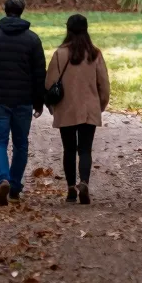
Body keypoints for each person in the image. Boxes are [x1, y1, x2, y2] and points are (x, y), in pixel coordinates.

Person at [0, 0, 46, 206]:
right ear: (22, 11)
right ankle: (14, 187)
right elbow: (39, 73)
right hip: (23, 100)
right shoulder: (32, 39)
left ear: (5, 10)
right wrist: (38, 101)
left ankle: (2, 178)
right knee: (21, 144)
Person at [44, 14, 110, 204]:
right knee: (85, 150)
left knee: (69, 149)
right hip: (89, 107)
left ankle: (71, 187)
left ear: (68, 29)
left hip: (66, 107)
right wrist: (101, 105)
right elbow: (103, 84)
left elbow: (50, 83)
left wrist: (52, 106)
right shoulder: (95, 54)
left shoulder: (60, 54)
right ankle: (85, 182)